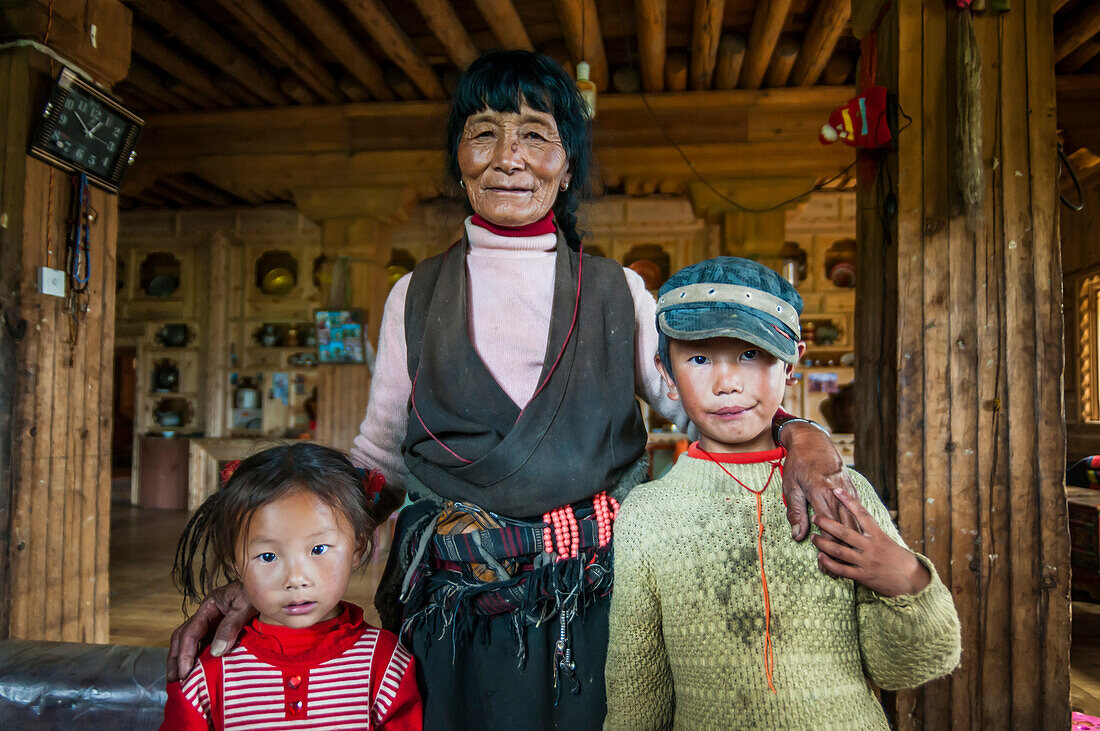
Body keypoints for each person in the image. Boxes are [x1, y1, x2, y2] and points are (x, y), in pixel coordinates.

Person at [166, 50, 858, 729]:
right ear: (457, 160)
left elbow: (706, 406)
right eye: (483, 132)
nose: (509, 156)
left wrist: (804, 436)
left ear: (567, 167)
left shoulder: (619, 292)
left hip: (602, 603)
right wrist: (274, 568)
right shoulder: (415, 295)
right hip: (453, 611)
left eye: (535, 134)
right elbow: (380, 458)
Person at [604, 257, 961, 729]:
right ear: (664, 373)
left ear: (792, 364)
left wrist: (908, 580)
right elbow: (636, 696)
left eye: (751, 355)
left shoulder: (841, 493)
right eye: (698, 358)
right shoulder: (648, 515)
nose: (726, 382)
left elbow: (907, 668)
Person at [160, 443, 422, 730]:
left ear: (358, 547)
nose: (296, 578)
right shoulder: (208, 676)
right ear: (232, 560)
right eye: (268, 556)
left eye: (319, 548)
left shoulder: (385, 665)